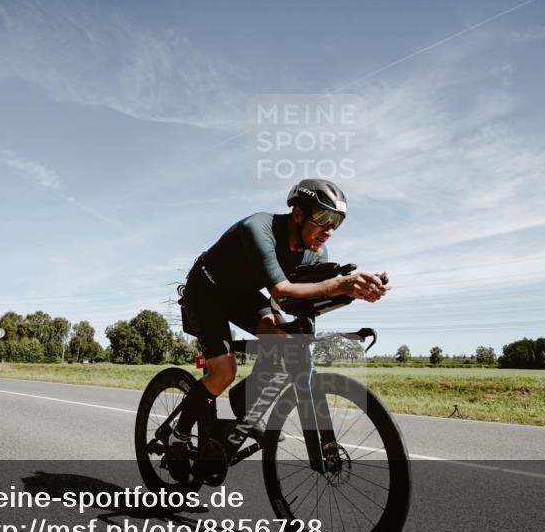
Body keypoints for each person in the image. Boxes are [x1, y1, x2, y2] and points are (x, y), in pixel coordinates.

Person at [167, 179, 389, 482]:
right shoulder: (258, 229)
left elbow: (304, 297)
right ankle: (178, 437)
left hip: (242, 295)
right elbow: (282, 289)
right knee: (223, 371)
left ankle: (245, 399)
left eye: (336, 222)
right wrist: (341, 285)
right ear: (297, 213)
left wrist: (354, 290)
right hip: (206, 291)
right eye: (323, 218)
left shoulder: (315, 253)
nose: (329, 229)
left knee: (287, 338)